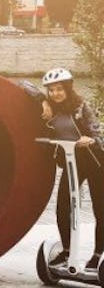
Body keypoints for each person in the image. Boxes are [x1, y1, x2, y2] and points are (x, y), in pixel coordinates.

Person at [20, 68, 104, 269]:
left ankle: (97, 255)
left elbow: (99, 133)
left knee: (100, 210)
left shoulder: (81, 107)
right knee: (63, 208)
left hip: (96, 161)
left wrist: (91, 139)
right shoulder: (49, 108)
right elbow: (23, 83)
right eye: (51, 90)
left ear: (68, 88)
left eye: (59, 89)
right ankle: (67, 252)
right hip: (73, 162)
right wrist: (41, 100)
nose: (55, 93)